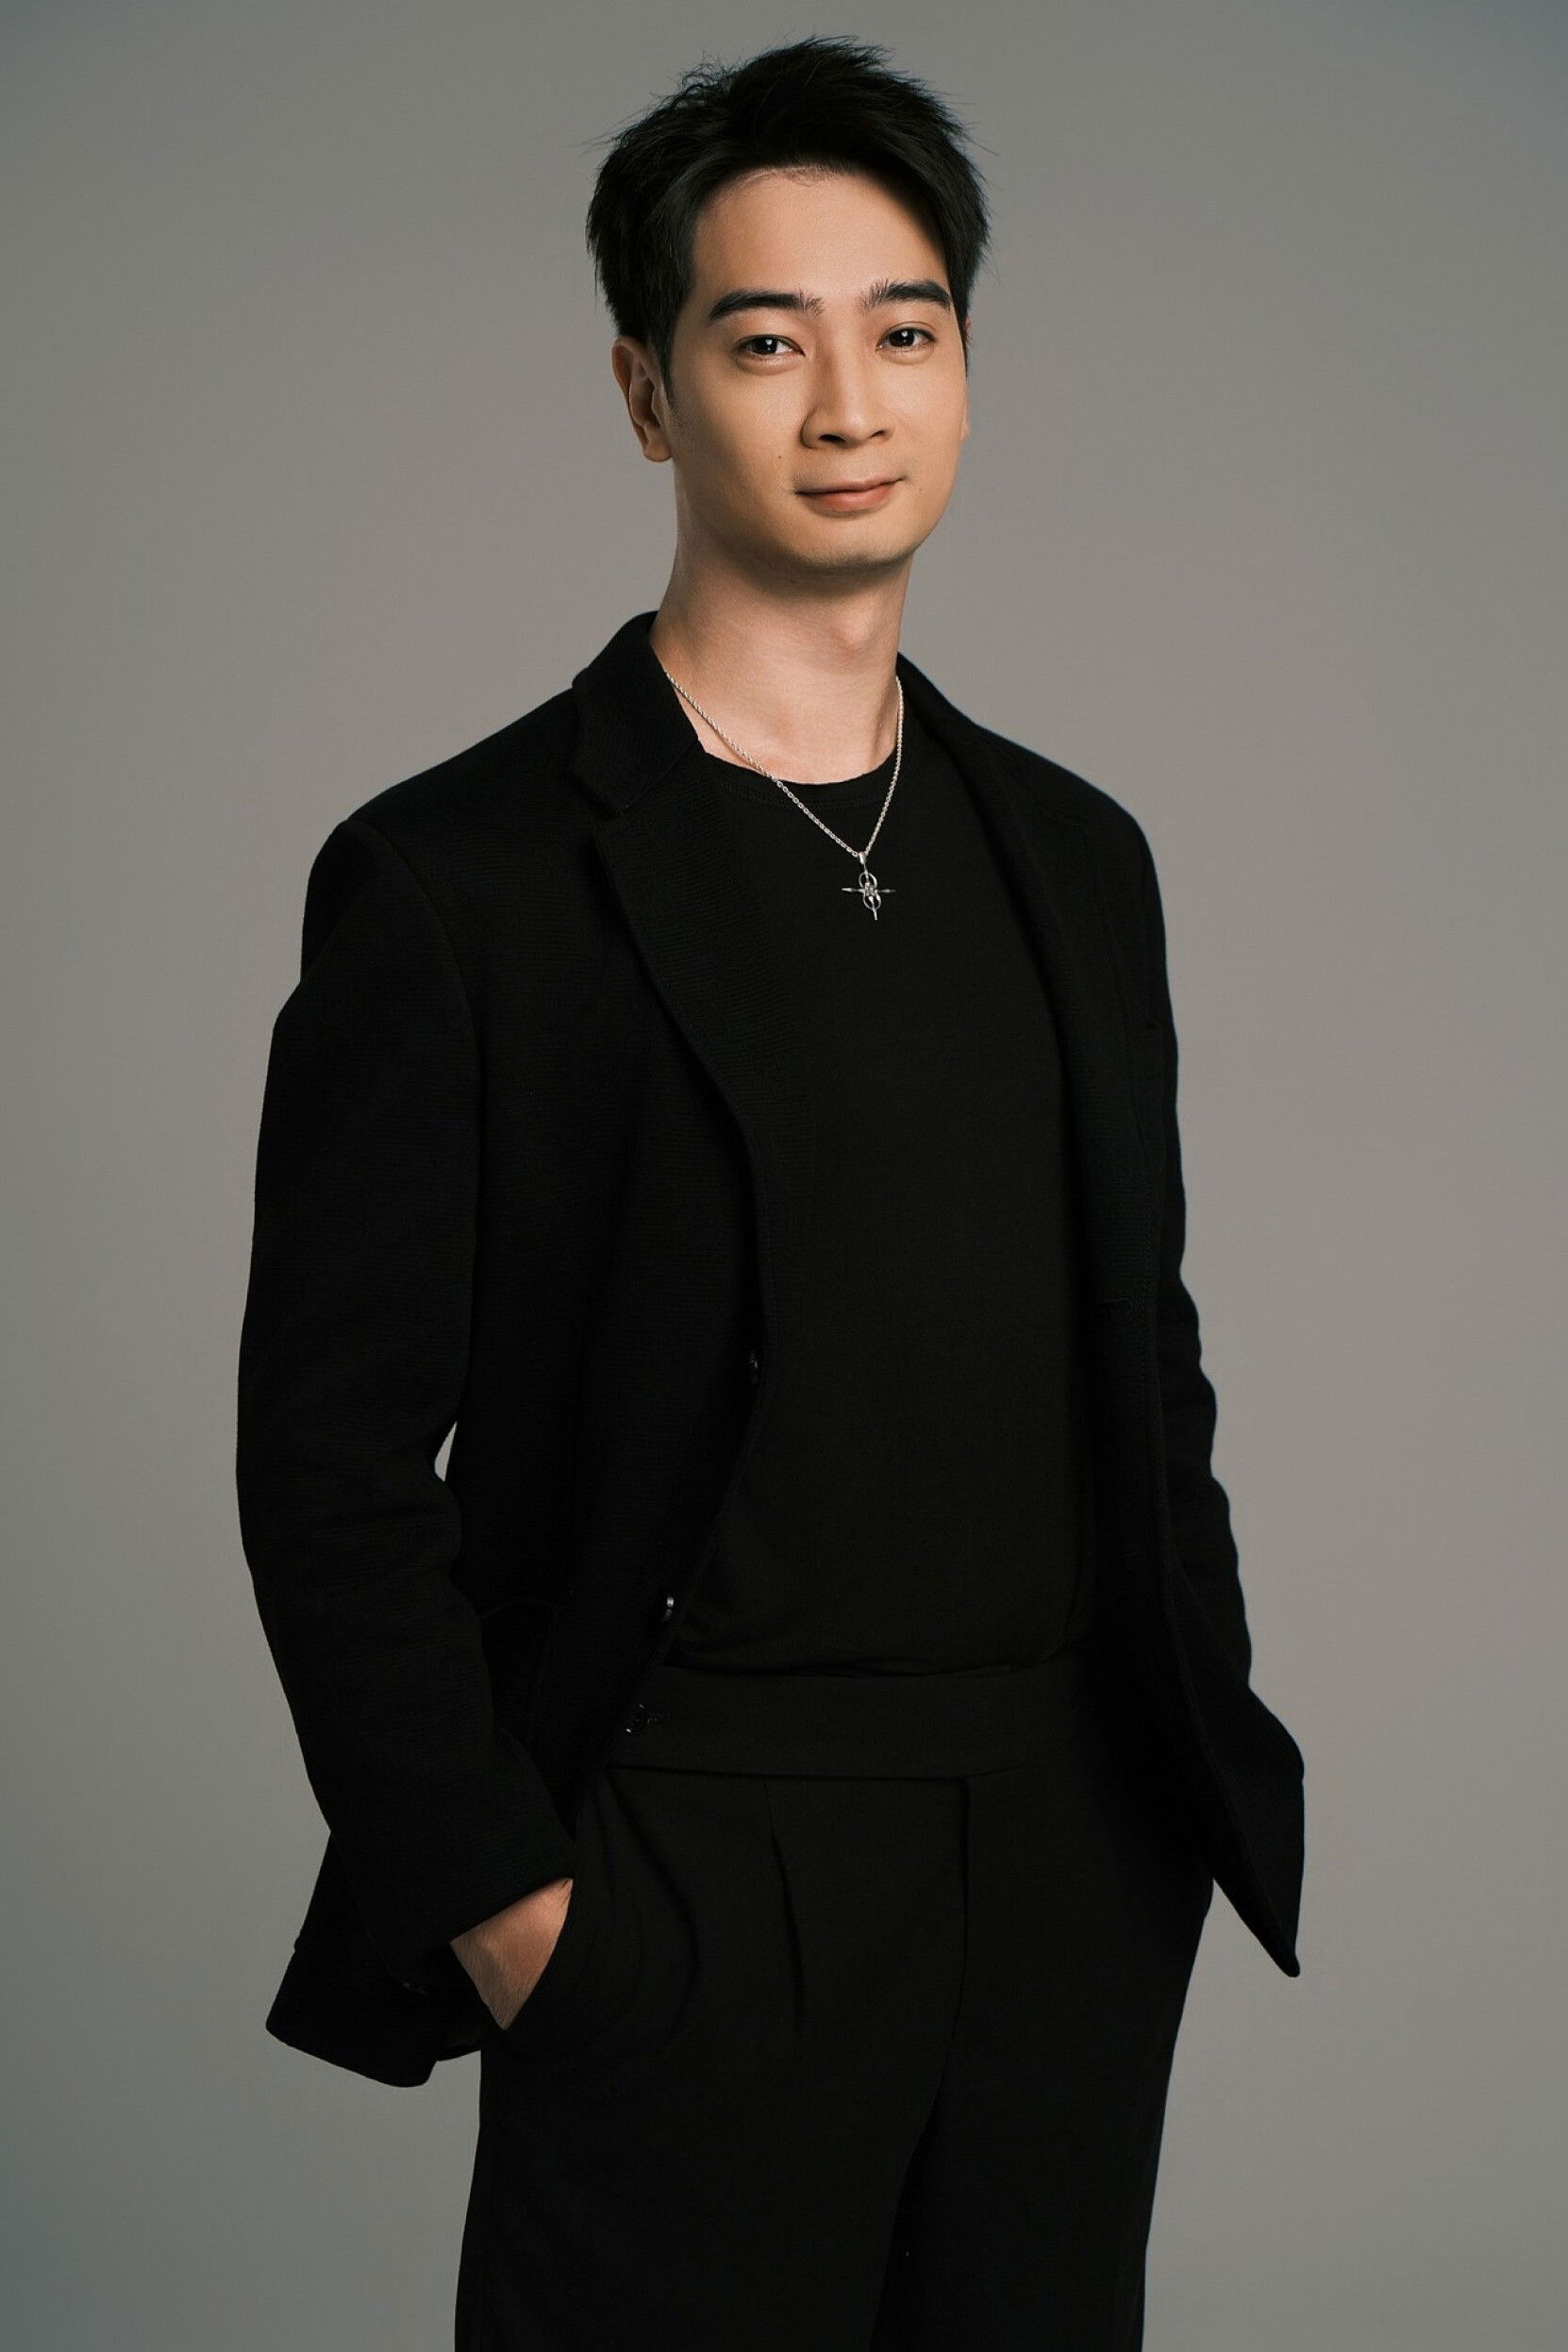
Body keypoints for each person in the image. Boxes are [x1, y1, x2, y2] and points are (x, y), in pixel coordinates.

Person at [235, 34, 1306, 2350]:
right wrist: (518, 1907)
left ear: (965, 368)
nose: (848, 404)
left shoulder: (1077, 856)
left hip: (1060, 1868)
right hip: (681, 1856)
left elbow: (1146, 1354)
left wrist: (1173, 1781)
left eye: (905, 330)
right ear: (646, 392)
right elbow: (328, 1467)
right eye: (764, 340)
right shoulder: (460, 883)